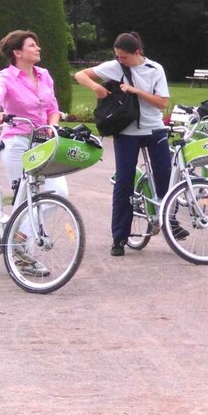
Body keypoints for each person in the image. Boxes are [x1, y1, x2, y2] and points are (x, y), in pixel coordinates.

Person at [75, 31, 185, 257]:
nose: (120, 60)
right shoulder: (115, 67)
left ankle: (170, 221)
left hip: (154, 128)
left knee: (165, 175)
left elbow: (162, 103)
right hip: (127, 131)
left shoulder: (155, 69)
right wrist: (96, 87)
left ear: (137, 53)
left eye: (124, 57)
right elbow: (80, 75)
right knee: (124, 181)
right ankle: (119, 237)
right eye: (117, 56)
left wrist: (136, 91)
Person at [0, 30, 65, 277]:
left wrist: (53, 126)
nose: (38, 48)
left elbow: (53, 107)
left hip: (42, 140)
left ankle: (18, 238)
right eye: (32, 45)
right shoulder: (6, 76)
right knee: (23, 196)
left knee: (58, 191)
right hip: (17, 140)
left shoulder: (44, 75)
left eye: (37, 45)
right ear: (17, 52)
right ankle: (22, 255)